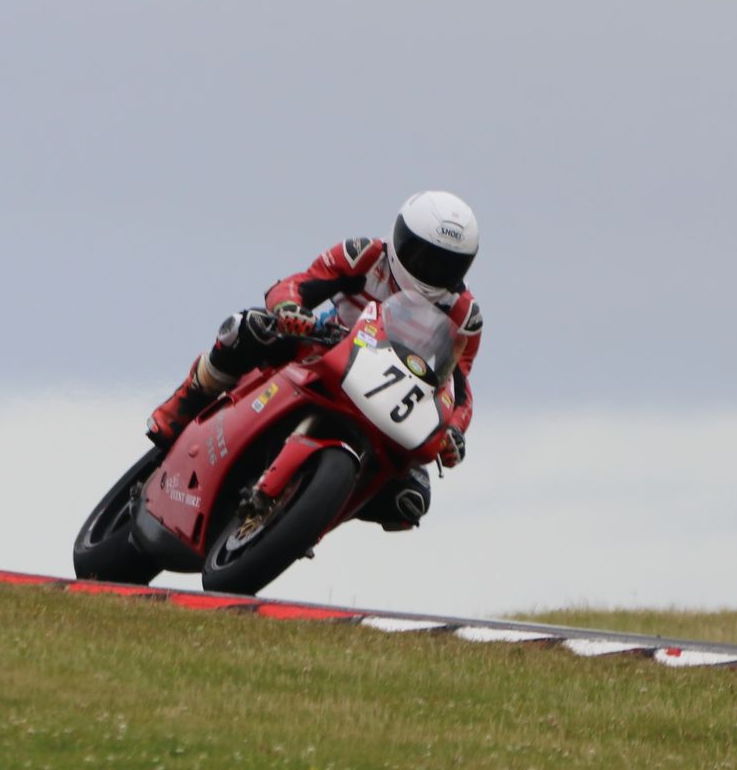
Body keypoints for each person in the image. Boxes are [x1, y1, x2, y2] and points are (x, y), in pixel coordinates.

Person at [144, 190, 484, 531]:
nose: (432, 270)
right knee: (248, 328)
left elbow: (458, 385)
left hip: (391, 403)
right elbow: (299, 283)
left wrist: (453, 430)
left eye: (447, 265)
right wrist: (290, 309)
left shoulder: (464, 315)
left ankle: (306, 520)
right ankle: (185, 402)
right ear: (399, 239)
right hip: (324, 349)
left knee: (410, 499)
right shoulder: (364, 255)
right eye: (423, 255)